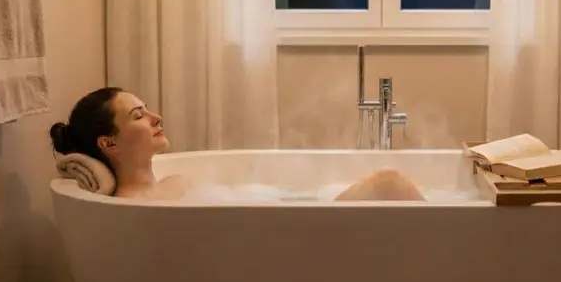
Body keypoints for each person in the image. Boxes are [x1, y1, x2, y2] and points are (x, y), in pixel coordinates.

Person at [50, 87, 425, 201]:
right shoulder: (136, 208)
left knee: (388, 183)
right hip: (287, 250)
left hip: (288, 232)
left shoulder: (174, 184)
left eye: (147, 109)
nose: (155, 117)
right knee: (388, 183)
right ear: (109, 143)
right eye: (138, 116)